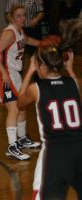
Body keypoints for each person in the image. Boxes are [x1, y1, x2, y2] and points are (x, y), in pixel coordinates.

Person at [17, 36, 82, 199]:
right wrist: (70, 69)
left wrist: (30, 70)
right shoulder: (74, 82)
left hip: (55, 152)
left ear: (42, 66)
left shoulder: (36, 88)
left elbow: (20, 103)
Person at [0, 5, 41, 160]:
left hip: (14, 74)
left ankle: (22, 139)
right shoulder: (9, 33)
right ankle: (12, 146)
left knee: (22, 105)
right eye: (18, 16)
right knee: (13, 107)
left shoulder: (20, 31)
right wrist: (4, 73)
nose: (22, 18)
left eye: (24, 15)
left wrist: (44, 43)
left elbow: (28, 40)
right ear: (11, 18)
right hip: (3, 74)